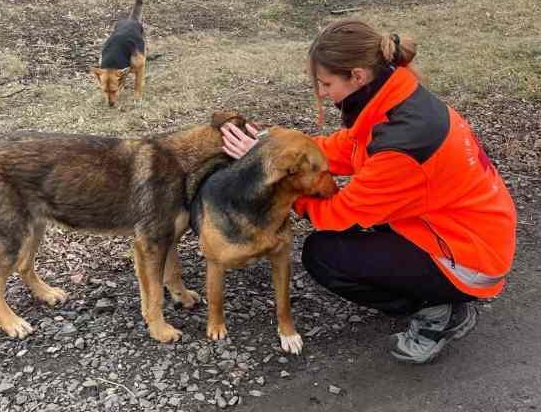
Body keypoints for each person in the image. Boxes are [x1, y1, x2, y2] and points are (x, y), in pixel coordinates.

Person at [221, 20, 517, 364]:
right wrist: (270, 150)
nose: (321, 92)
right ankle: (427, 290)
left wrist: (282, 186)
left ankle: (441, 312)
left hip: (470, 257)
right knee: (357, 234)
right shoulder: (394, 103)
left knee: (325, 255)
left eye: (326, 83)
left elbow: (337, 215)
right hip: (461, 225)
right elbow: (341, 149)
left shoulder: (403, 143)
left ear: (357, 76)